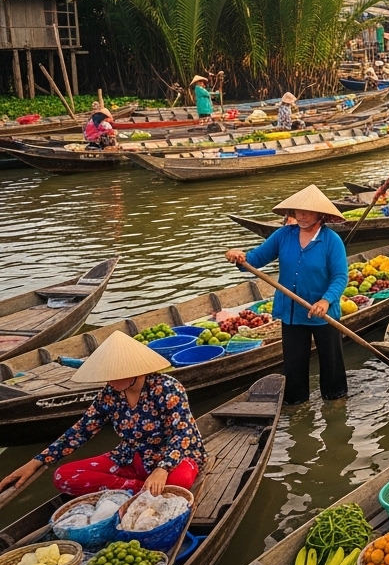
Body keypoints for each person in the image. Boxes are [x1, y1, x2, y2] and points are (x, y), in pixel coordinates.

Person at [0, 331, 205, 497]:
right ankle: (137, 489)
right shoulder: (110, 394)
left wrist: (163, 469)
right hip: (132, 458)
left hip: (175, 457)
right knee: (63, 477)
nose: (110, 382)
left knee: (178, 482)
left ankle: (151, 486)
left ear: (135, 370)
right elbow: (81, 430)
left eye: (115, 375)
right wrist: (36, 462)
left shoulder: (168, 388)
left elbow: (182, 434)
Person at [226, 185, 349, 404]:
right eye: (296, 211)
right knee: (294, 366)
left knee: (332, 366)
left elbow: (340, 277)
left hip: (322, 314)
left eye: (306, 212)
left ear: (321, 215)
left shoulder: (331, 241)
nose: (300, 216)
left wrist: (326, 300)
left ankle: (336, 404)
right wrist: (239, 257)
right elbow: (254, 261)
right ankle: (297, 406)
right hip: (292, 313)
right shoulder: (284, 235)